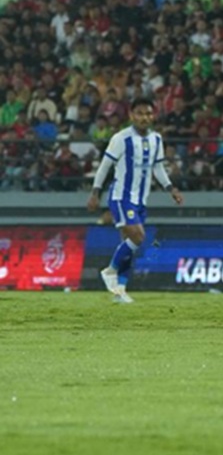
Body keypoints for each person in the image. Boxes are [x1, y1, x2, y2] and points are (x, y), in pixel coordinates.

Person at [87, 97, 184, 303]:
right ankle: (110, 271)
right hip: (121, 196)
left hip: (141, 199)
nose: (144, 117)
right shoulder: (121, 138)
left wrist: (170, 188)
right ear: (132, 115)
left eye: (148, 113)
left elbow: (158, 168)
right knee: (138, 236)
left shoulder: (157, 139)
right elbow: (105, 166)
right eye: (139, 113)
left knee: (129, 244)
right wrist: (95, 192)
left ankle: (120, 291)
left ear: (153, 115)